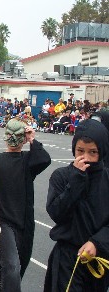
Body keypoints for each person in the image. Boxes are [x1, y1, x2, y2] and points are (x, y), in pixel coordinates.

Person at [0, 118, 51, 292]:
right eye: (10, 135)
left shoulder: (28, 161)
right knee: (10, 266)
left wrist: (32, 138)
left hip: (23, 224)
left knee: (17, 265)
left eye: (18, 136)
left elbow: (44, 159)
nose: (13, 139)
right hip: (1, 222)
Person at [44, 119, 109, 292]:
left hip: (98, 257)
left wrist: (97, 242)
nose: (85, 158)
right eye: (80, 151)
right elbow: (57, 212)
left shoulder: (106, 179)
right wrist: (76, 179)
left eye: (92, 152)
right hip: (67, 258)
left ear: (102, 152)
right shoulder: (61, 176)